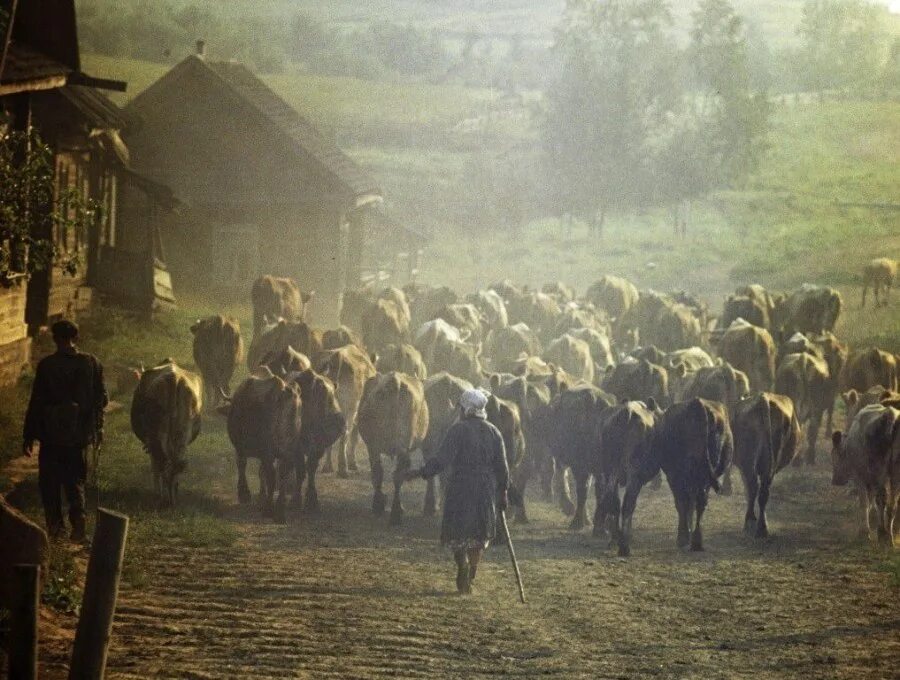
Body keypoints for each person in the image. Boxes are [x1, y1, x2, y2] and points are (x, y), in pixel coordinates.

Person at [408, 388, 509, 594]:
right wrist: (503, 492)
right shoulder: (494, 432)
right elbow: (502, 468)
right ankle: (471, 571)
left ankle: (461, 564)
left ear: (466, 409)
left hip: (460, 488)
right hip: (485, 491)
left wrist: (421, 472)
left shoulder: (457, 430)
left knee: (458, 532)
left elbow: (442, 460)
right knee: (479, 536)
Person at [23, 319, 107, 541]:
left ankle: (56, 530)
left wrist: (28, 434)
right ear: (76, 337)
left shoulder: (47, 365)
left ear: (54, 338)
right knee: (75, 481)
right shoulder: (92, 363)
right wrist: (97, 429)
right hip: (78, 436)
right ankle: (78, 528)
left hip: (51, 436)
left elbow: (37, 402)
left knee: (49, 484)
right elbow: (102, 400)